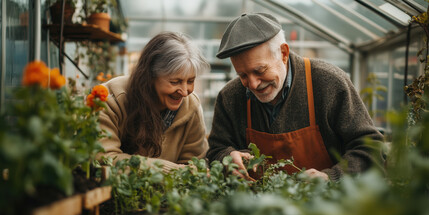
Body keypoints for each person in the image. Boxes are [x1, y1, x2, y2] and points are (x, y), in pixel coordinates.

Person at [206, 13, 385, 181]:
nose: (252, 84)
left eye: (259, 70)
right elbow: (216, 149)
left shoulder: (328, 82)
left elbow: (371, 148)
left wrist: (332, 177)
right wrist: (227, 157)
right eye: (242, 76)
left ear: (283, 53)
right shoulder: (230, 97)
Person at [98, 31, 210, 173]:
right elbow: (104, 158)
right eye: (175, 82)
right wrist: (167, 170)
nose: (184, 91)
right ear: (150, 75)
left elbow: (196, 162)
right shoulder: (111, 99)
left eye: (190, 81)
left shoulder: (191, 106)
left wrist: (192, 171)